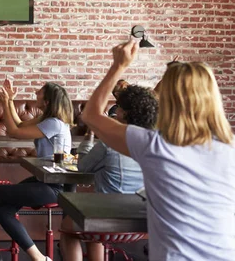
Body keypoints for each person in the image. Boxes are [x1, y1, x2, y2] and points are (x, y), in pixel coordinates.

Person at [81, 39, 235, 260]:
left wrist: (119, 66)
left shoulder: (154, 145)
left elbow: (91, 116)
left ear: (167, 101)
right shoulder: (231, 149)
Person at [60, 85, 158, 261]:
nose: (116, 110)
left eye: (119, 107)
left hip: (107, 218)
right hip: (142, 219)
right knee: (89, 227)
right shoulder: (155, 143)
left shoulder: (110, 143)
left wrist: (89, 137)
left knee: (69, 227)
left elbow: (82, 167)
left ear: (125, 113)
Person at [0, 79, 73, 261]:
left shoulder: (54, 123)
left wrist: (4, 102)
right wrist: (8, 101)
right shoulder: (47, 120)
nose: (35, 94)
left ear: (47, 101)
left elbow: (14, 132)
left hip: (53, 187)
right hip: (43, 181)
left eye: (39, 92)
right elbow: (19, 125)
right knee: (3, 210)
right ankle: (39, 258)